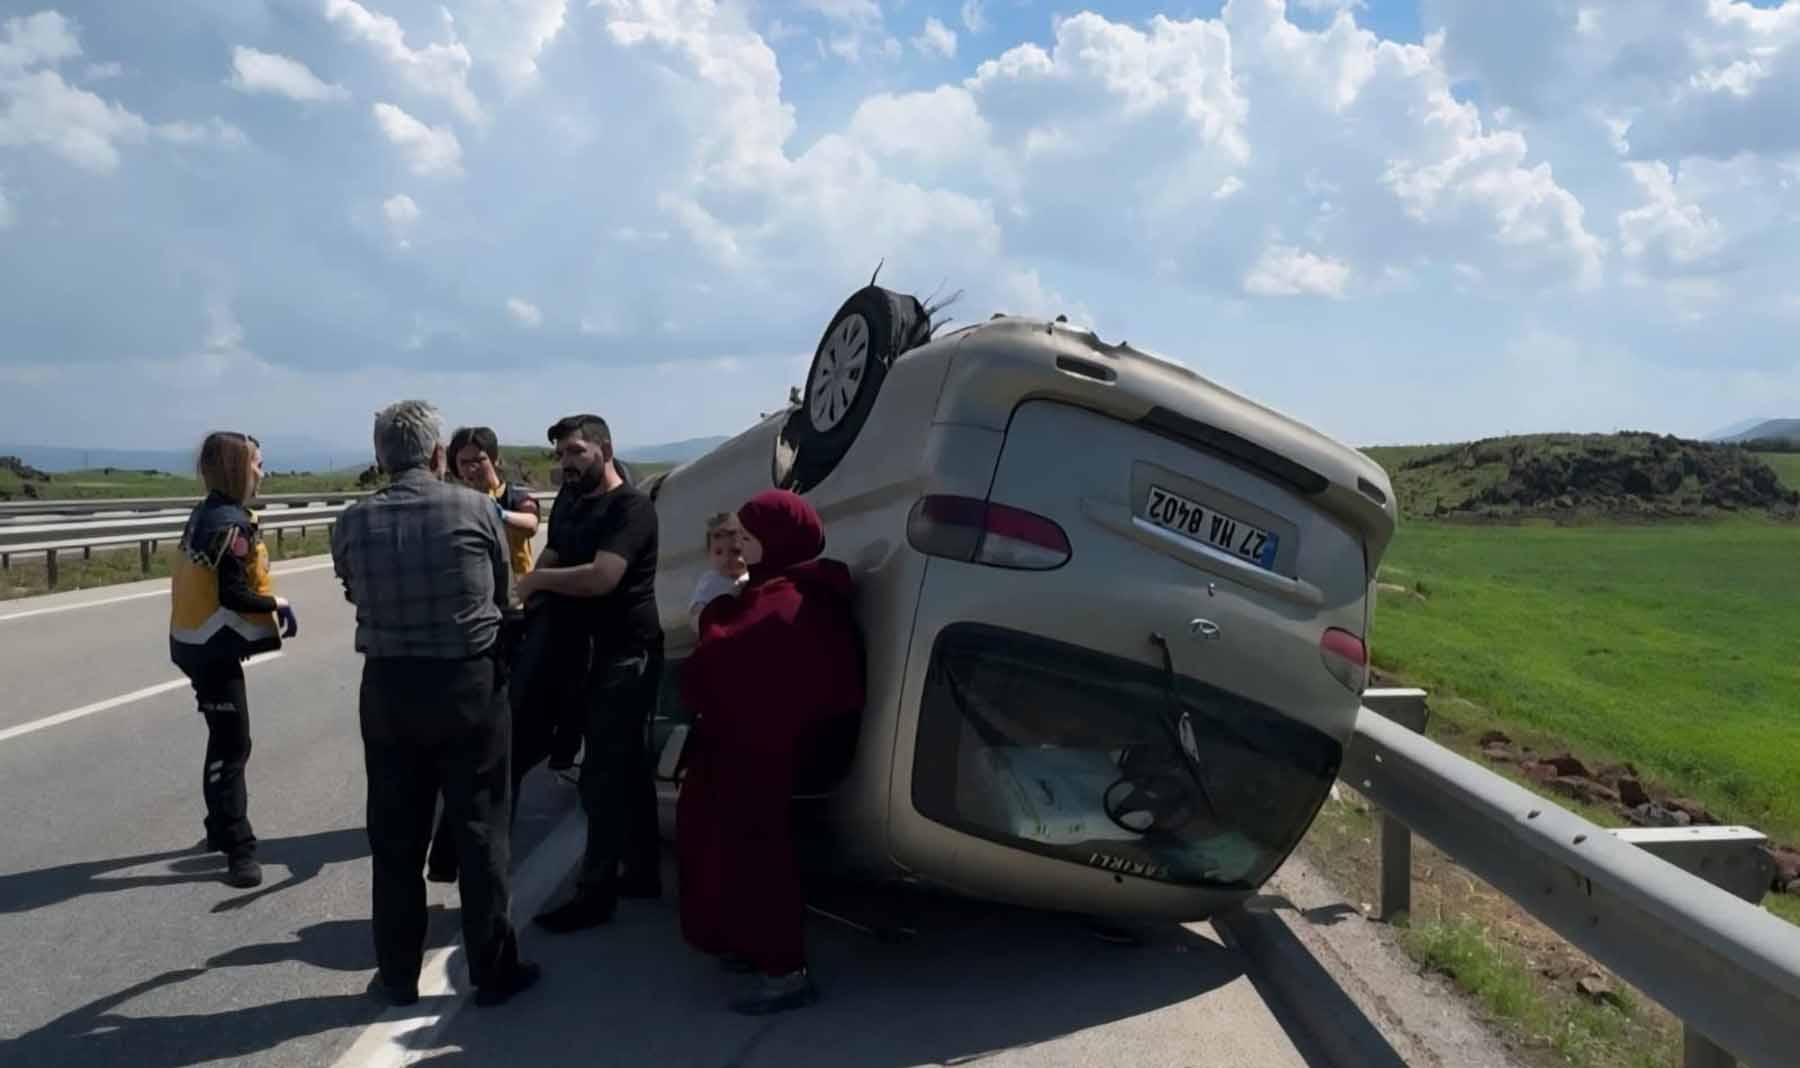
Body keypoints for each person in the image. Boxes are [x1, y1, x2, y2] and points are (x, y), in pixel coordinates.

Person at [330, 400, 540, 1008]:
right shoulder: (478, 508)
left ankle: (397, 976)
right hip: (468, 684)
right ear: (437, 453)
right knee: (480, 829)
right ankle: (493, 970)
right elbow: (501, 592)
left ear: (379, 457)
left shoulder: (352, 521)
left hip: (390, 686)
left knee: (394, 839)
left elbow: (351, 588)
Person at [677, 489, 865, 1015]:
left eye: (750, 538)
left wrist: (714, 614)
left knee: (755, 847)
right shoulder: (793, 585)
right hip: (774, 743)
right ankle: (745, 941)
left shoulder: (787, 600)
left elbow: (728, 656)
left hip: (776, 753)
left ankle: (783, 970)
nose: (740, 547)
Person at [518, 413, 664, 933]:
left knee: (602, 775)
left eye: (576, 451)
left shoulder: (632, 508)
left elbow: (604, 577)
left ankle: (593, 894)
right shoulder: (573, 503)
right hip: (588, 652)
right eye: (560, 454)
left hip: (629, 651)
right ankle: (643, 871)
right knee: (624, 766)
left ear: (604, 447)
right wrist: (530, 586)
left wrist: (540, 584)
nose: (567, 463)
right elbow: (555, 553)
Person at [169, 431, 300, 890]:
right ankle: (238, 848)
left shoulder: (207, 512)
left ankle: (216, 826)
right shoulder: (230, 525)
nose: (263, 473)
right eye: (258, 464)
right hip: (211, 649)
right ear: (237, 468)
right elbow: (234, 593)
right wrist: (278, 604)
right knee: (233, 745)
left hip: (191, 644)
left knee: (223, 737)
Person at [425, 425, 543, 884]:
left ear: (494, 459)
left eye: (480, 459)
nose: (473, 468)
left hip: (516, 615)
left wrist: (492, 510)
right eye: (464, 462)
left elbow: (530, 522)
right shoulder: (452, 502)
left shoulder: (514, 494)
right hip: (472, 621)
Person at [687, 512, 748, 632]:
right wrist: (702, 622)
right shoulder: (711, 581)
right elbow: (696, 610)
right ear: (709, 554)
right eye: (718, 552)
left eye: (735, 551)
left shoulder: (753, 573)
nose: (726, 558)